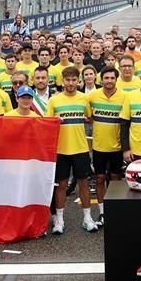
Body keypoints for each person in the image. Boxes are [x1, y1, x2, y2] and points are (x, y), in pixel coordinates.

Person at [46, 66, 97, 234]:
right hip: (61, 150)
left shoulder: (84, 99)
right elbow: (47, 123)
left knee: (83, 183)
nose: (71, 83)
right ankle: (59, 220)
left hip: (81, 148)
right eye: (67, 80)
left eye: (74, 80)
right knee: (61, 185)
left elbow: (90, 118)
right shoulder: (54, 100)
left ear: (78, 81)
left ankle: (87, 218)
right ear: (63, 81)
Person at [87, 66, 126, 226]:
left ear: (116, 79)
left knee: (116, 179)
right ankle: (103, 213)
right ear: (101, 79)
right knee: (100, 179)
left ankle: (115, 211)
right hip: (99, 146)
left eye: (112, 78)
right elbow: (89, 117)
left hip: (117, 147)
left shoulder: (125, 97)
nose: (109, 81)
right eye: (106, 78)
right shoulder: (93, 96)